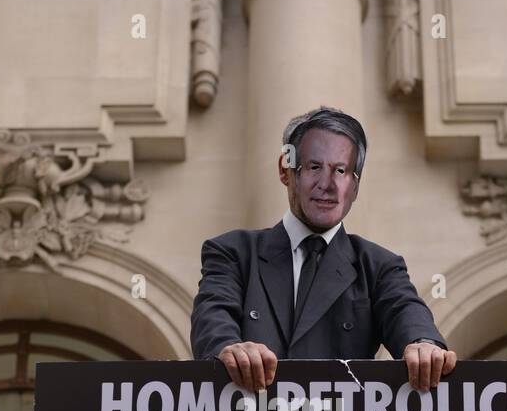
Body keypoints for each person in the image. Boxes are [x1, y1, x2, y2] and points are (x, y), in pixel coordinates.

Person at [191, 106, 456, 392]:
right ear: (286, 170)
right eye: (314, 167)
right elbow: (213, 318)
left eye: (341, 171)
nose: (328, 186)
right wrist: (229, 348)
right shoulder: (233, 253)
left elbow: (405, 310)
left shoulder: (378, 266)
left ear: (355, 186)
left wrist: (423, 344)